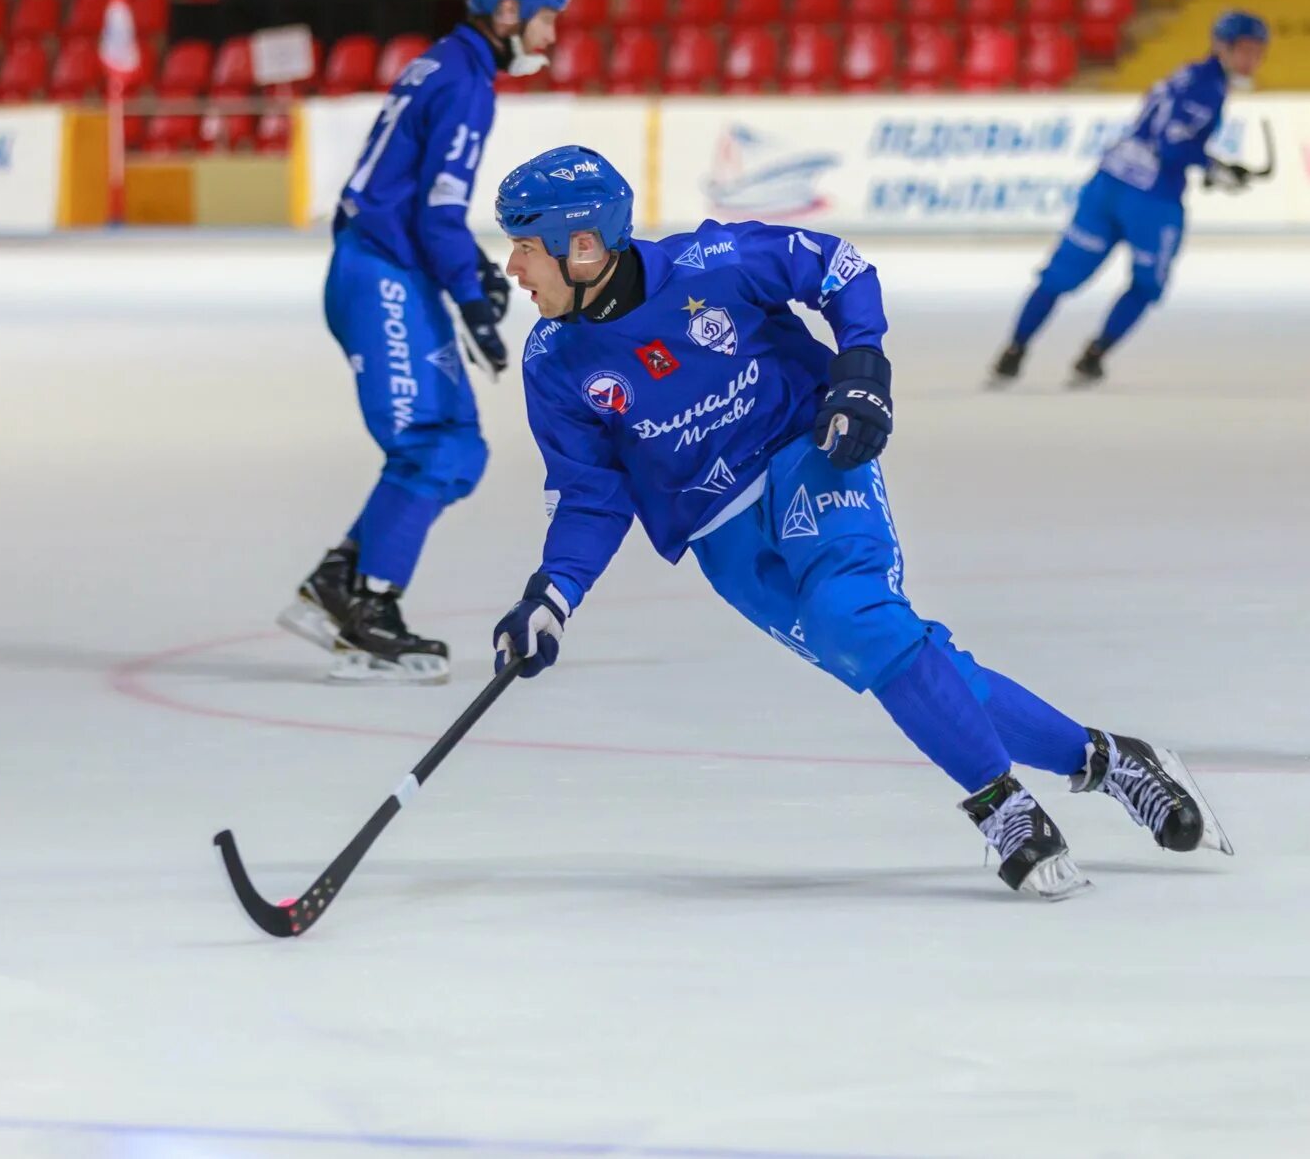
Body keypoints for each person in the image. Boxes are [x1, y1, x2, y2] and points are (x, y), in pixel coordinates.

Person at [485, 144, 1233, 898]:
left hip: (806, 454)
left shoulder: (713, 261)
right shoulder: (555, 362)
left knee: (856, 616)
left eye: (523, 246)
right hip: (723, 541)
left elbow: (838, 268)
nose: (513, 267)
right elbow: (590, 494)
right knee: (901, 658)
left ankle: (1000, 804)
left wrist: (862, 368)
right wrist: (552, 595)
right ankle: (1111, 759)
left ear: (581, 245)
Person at [279, 0, 569, 683]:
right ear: (508, 11)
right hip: (382, 272)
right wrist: (472, 300)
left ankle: (338, 581)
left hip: (388, 266)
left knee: (460, 447)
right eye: (546, 19)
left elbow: (419, 202)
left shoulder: (444, 64)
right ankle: (370, 617)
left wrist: (469, 268)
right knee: (430, 448)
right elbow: (437, 212)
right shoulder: (468, 83)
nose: (551, 37)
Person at [992, 9, 1268, 387]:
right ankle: (1094, 356)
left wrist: (1209, 163)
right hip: (1150, 199)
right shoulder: (1209, 88)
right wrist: (1215, 167)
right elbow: (1172, 147)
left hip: (1109, 180)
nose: (1253, 60)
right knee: (1147, 283)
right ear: (1223, 46)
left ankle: (1013, 352)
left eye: (1259, 51)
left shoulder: (1188, 73)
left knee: (1057, 276)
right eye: (1246, 50)